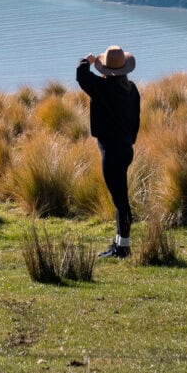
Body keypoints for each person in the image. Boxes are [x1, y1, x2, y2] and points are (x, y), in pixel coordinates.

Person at [76, 45, 140, 258]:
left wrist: (87, 60)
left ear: (105, 70)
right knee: (120, 198)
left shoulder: (101, 89)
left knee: (120, 200)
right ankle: (119, 244)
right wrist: (129, 140)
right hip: (125, 149)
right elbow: (135, 121)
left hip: (111, 152)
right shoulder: (131, 90)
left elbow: (81, 76)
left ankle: (123, 248)